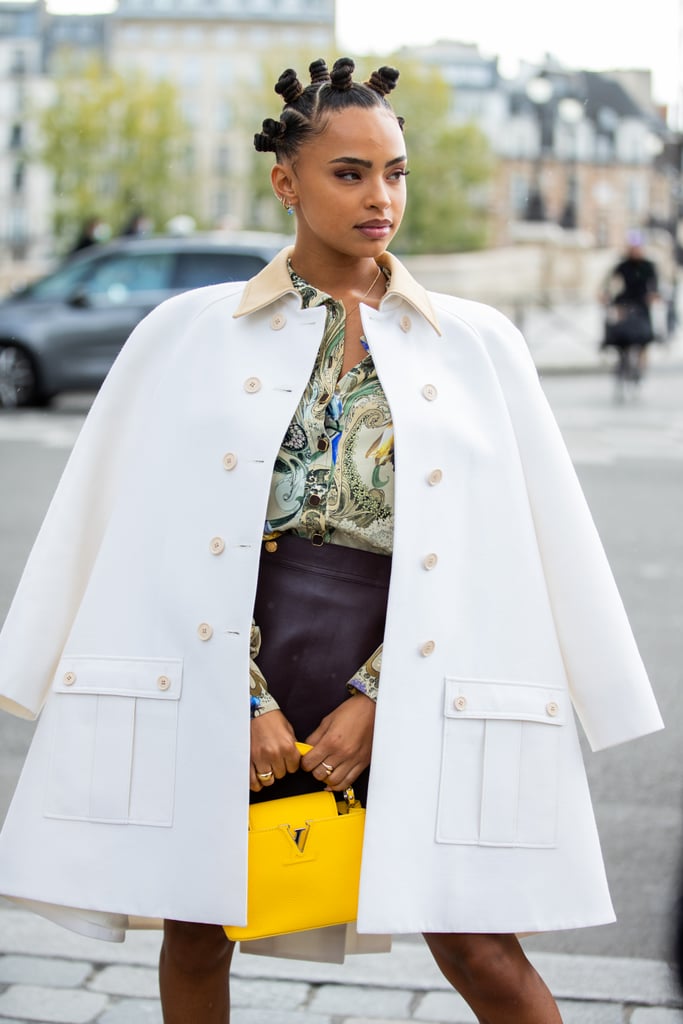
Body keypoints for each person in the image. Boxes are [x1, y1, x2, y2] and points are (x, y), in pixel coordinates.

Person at [0, 57, 664, 1024]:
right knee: (198, 925)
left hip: (416, 668)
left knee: (477, 943)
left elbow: (508, 557)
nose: (379, 196)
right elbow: (152, 548)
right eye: (348, 173)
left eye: (394, 171)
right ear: (286, 182)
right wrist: (246, 704)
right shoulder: (186, 335)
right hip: (239, 661)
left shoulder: (476, 346)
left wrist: (376, 698)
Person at [601, 230, 660, 382]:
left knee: (644, 336)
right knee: (617, 331)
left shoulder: (648, 266)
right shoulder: (623, 265)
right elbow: (609, 281)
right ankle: (620, 358)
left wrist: (654, 295)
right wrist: (605, 294)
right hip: (624, 302)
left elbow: (654, 285)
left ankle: (641, 364)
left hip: (641, 303)